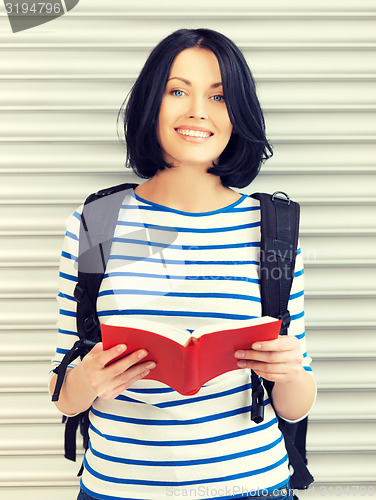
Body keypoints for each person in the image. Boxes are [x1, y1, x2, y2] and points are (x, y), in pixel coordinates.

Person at [49, 28, 316, 500]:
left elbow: (293, 409)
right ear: (152, 102)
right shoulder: (95, 222)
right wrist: (87, 378)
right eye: (178, 91)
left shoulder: (273, 227)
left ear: (239, 114)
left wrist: (292, 372)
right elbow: (63, 393)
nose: (197, 111)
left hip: (252, 484)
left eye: (218, 95)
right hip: (117, 487)